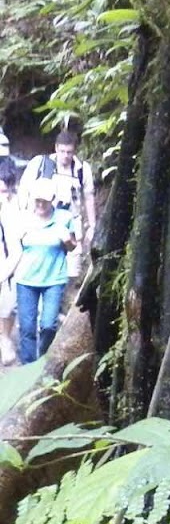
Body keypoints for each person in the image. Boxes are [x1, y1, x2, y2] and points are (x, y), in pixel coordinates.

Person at [4, 176, 76, 363]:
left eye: (45, 199)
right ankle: (29, 367)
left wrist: (67, 240)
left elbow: (73, 246)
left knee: (48, 325)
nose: (41, 203)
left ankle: (43, 362)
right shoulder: (23, 219)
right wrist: (4, 275)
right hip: (26, 280)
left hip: (54, 278)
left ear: (52, 198)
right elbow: (15, 251)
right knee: (27, 328)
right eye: (38, 199)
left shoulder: (64, 218)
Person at [20, 128, 95, 295]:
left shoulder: (82, 170)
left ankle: (61, 303)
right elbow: (24, 190)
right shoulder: (41, 165)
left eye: (69, 152)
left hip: (72, 224)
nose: (66, 156)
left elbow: (88, 197)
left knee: (72, 271)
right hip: (43, 223)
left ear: (75, 151)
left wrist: (92, 225)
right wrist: (24, 217)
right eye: (62, 151)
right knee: (42, 264)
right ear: (55, 148)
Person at [0, 175, 17, 366]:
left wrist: (3, 274)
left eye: (3, 191)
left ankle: (5, 340)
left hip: (4, 269)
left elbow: (15, 250)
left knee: (6, 306)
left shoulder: (8, 213)